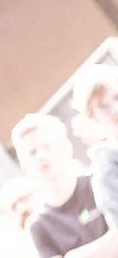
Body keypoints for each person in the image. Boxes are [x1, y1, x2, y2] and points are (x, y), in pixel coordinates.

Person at [11, 113, 117, 258]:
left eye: (46, 146)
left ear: (66, 146)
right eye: (32, 152)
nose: (41, 156)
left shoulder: (102, 182)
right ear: (24, 164)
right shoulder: (39, 225)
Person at [72, 64, 118, 228]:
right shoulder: (107, 174)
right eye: (103, 106)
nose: (115, 109)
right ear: (93, 117)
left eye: (117, 97)